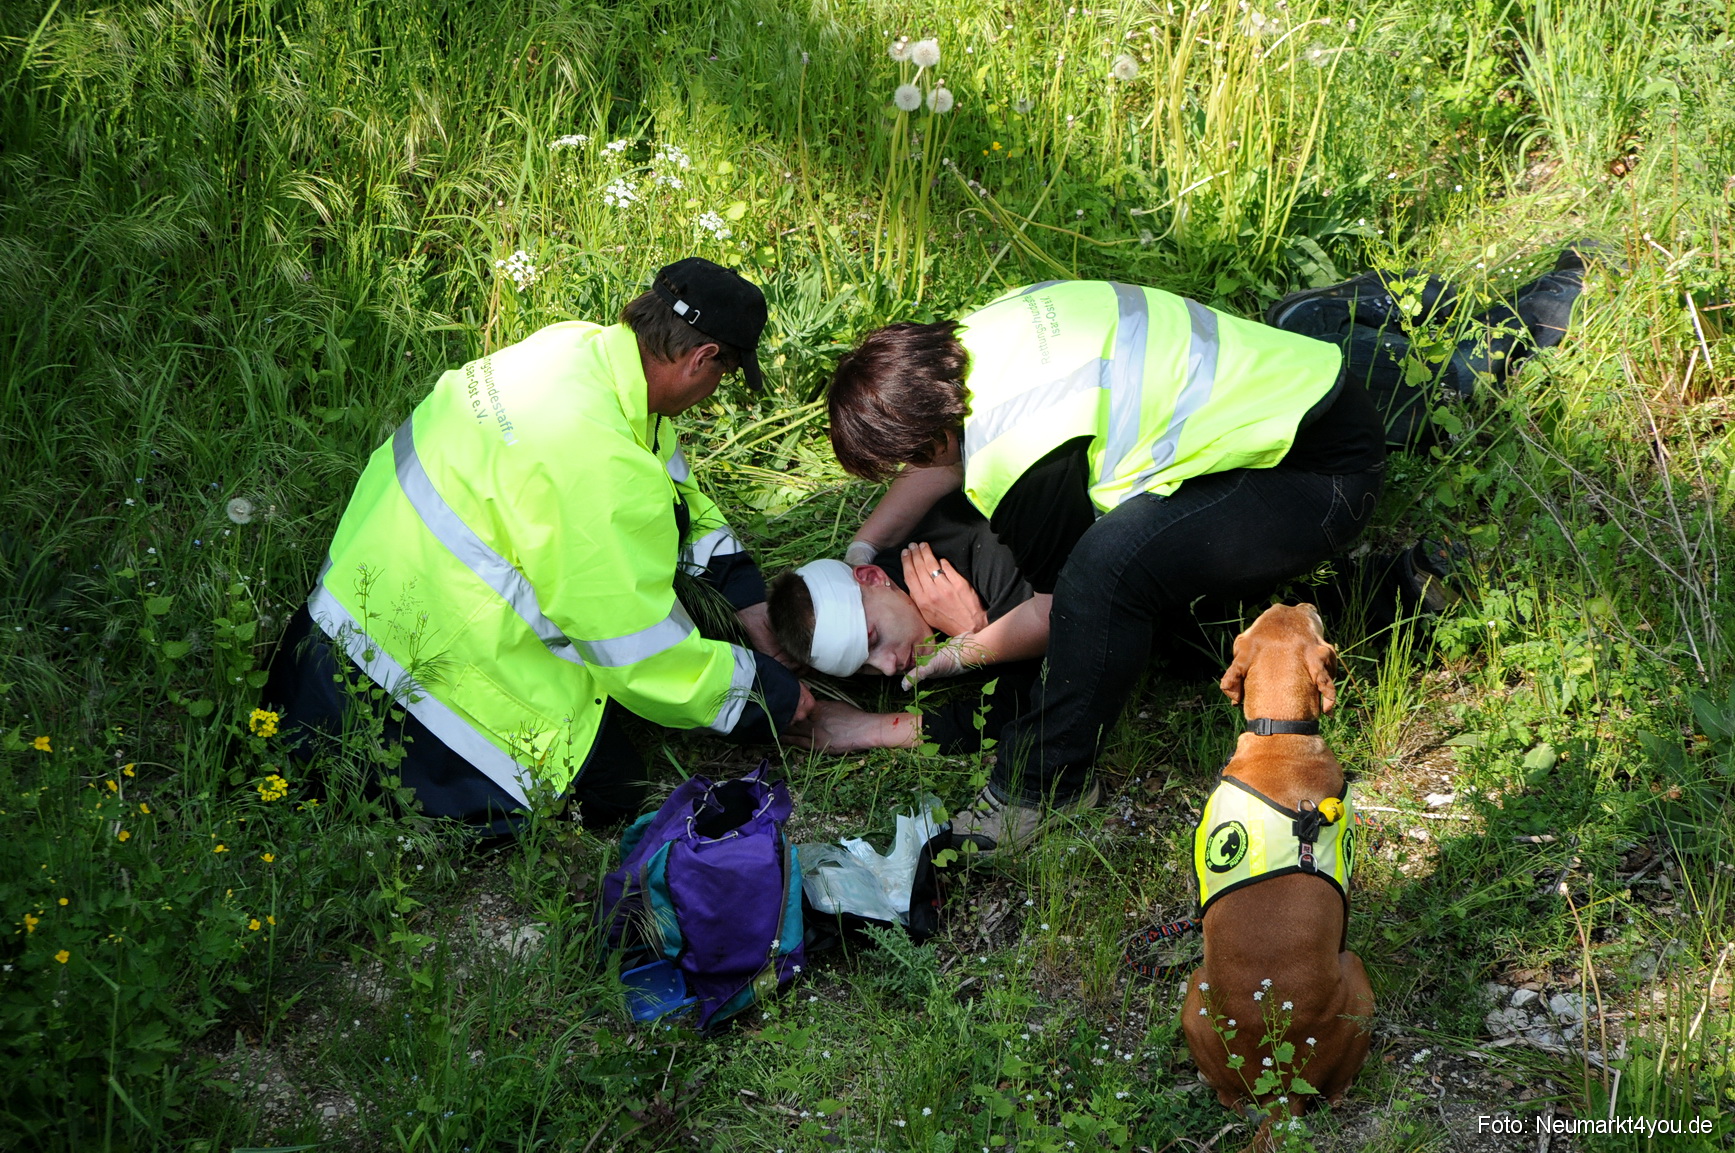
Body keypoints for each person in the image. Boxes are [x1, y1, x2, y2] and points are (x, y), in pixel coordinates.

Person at [816, 252, 1590, 854]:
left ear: (929, 434)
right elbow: (937, 462)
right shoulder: (983, 335)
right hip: (1301, 395)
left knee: (1107, 575)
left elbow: (1066, 609)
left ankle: (1037, 788)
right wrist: (864, 543)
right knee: (1154, 586)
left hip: (1317, 475)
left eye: (902, 461)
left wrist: (959, 652)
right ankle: (1408, 583)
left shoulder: (1023, 452)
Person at [264, 258, 812, 836]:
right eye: (722, 375)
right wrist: (770, 695)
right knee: (613, 787)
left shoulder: (577, 352)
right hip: (408, 676)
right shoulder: (599, 467)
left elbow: (676, 492)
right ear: (702, 360)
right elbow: (641, 657)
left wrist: (744, 595)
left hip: (342, 610)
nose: (712, 391)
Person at [766, 491, 1037, 753]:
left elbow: (1040, 698)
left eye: (874, 639)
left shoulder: (983, 555)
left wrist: (873, 729)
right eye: (862, 667)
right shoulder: (890, 613)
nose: (887, 667)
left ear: (872, 577)